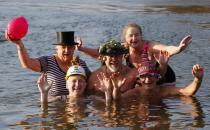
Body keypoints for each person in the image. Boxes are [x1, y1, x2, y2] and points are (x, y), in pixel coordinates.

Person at [77, 23, 192, 84]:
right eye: (130, 36)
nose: (134, 38)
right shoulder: (123, 48)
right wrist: (81, 49)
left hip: (164, 78)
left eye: (137, 35)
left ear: (141, 36)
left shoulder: (149, 46)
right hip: (144, 80)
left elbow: (166, 49)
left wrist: (178, 48)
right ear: (125, 38)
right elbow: (101, 53)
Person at [6, 31, 90, 97]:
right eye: (63, 47)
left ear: (74, 48)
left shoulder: (80, 64)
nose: (67, 50)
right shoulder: (48, 62)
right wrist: (19, 45)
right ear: (57, 49)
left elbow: (94, 81)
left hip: (76, 104)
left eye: (70, 47)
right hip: (54, 106)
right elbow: (27, 64)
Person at [118, 60, 203, 99]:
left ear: (157, 78)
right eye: (144, 76)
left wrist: (198, 79)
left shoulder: (164, 90)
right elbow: (117, 100)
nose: (147, 80)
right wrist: (115, 88)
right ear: (138, 80)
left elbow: (188, 92)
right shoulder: (134, 93)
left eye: (151, 75)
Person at [87, 40, 138, 104]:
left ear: (122, 57)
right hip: (103, 110)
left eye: (117, 56)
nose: (114, 59)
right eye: (111, 56)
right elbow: (87, 97)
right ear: (104, 58)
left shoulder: (132, 74)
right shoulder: (95, 76)